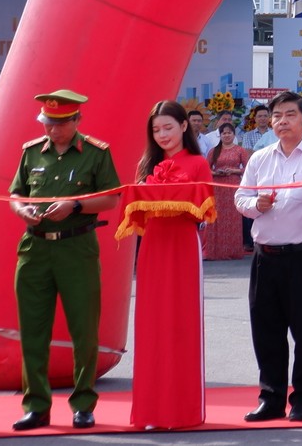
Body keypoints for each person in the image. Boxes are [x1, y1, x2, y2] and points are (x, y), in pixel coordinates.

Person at [7, 90, 122, 432]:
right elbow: (16, 193)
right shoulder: (30, 152)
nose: (52, 130)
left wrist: (74, 206)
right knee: (33, 330)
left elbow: (111, 199)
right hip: (35, 250)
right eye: (48, 123)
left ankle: (83, 403)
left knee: (84, 329)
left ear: (76, 121)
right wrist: (22, 210)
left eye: (60, 123)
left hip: (76, 249)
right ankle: (36, 406)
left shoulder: (96, 153)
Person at [234, 91, 302, 424]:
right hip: (266, 255)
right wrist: (255, 206)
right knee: (266, 330)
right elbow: (241, 196)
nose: (282, 121)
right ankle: (271, 398)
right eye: (276, 115)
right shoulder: (260, 158)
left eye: (290, 115)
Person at [127, 100, 213, 430]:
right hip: (152, 245)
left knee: (181, 323)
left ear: (183, 127)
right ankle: (151, 410)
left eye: (168, 127)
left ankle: (182, 410)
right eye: (156, 129)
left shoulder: (197, 163)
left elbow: (205, 210)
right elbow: (134, 208)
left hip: (183, 245)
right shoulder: (146, 164)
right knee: (151, 325)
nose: (162, 135)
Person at [202, 122, 253, 260]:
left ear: (233, 134)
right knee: (216, 218)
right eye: (224, 133)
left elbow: (248, 169)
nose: (226, 135)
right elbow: (206, 169)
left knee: (233, 219)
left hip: (233, 187)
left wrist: (234, 170)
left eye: (229, 132)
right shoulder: (214, 151)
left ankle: (233, 251)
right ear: (220, 135)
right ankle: (214, 252)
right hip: (218, 187)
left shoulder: (239, 150)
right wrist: (216, 173)